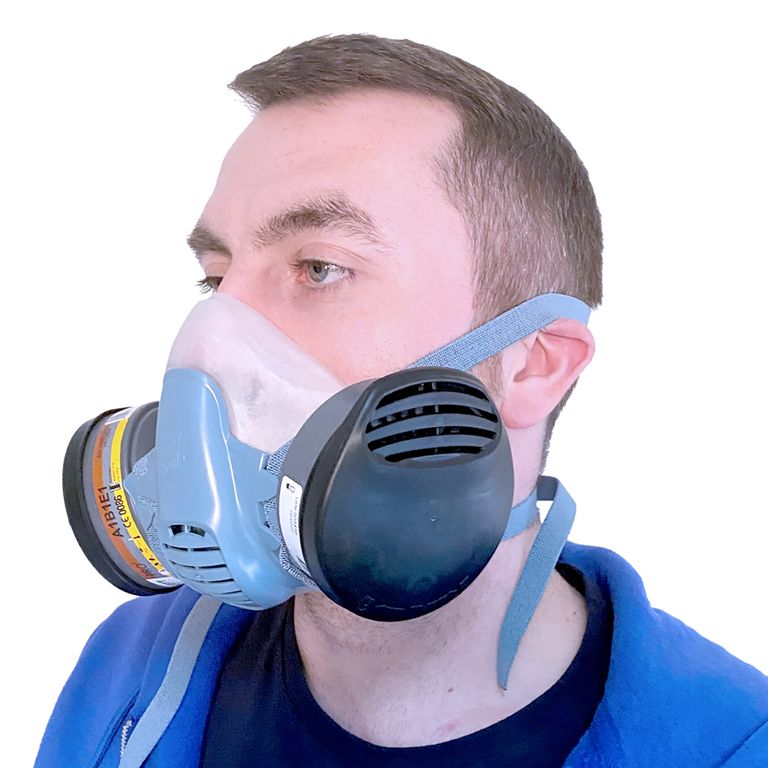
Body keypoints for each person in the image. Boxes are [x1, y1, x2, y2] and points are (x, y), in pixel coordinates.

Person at [36, 33, 768, 767]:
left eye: (320, 268)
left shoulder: (733, 744)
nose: (209, 348)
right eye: (216, 278)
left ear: (536, 364)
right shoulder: (128, 670)